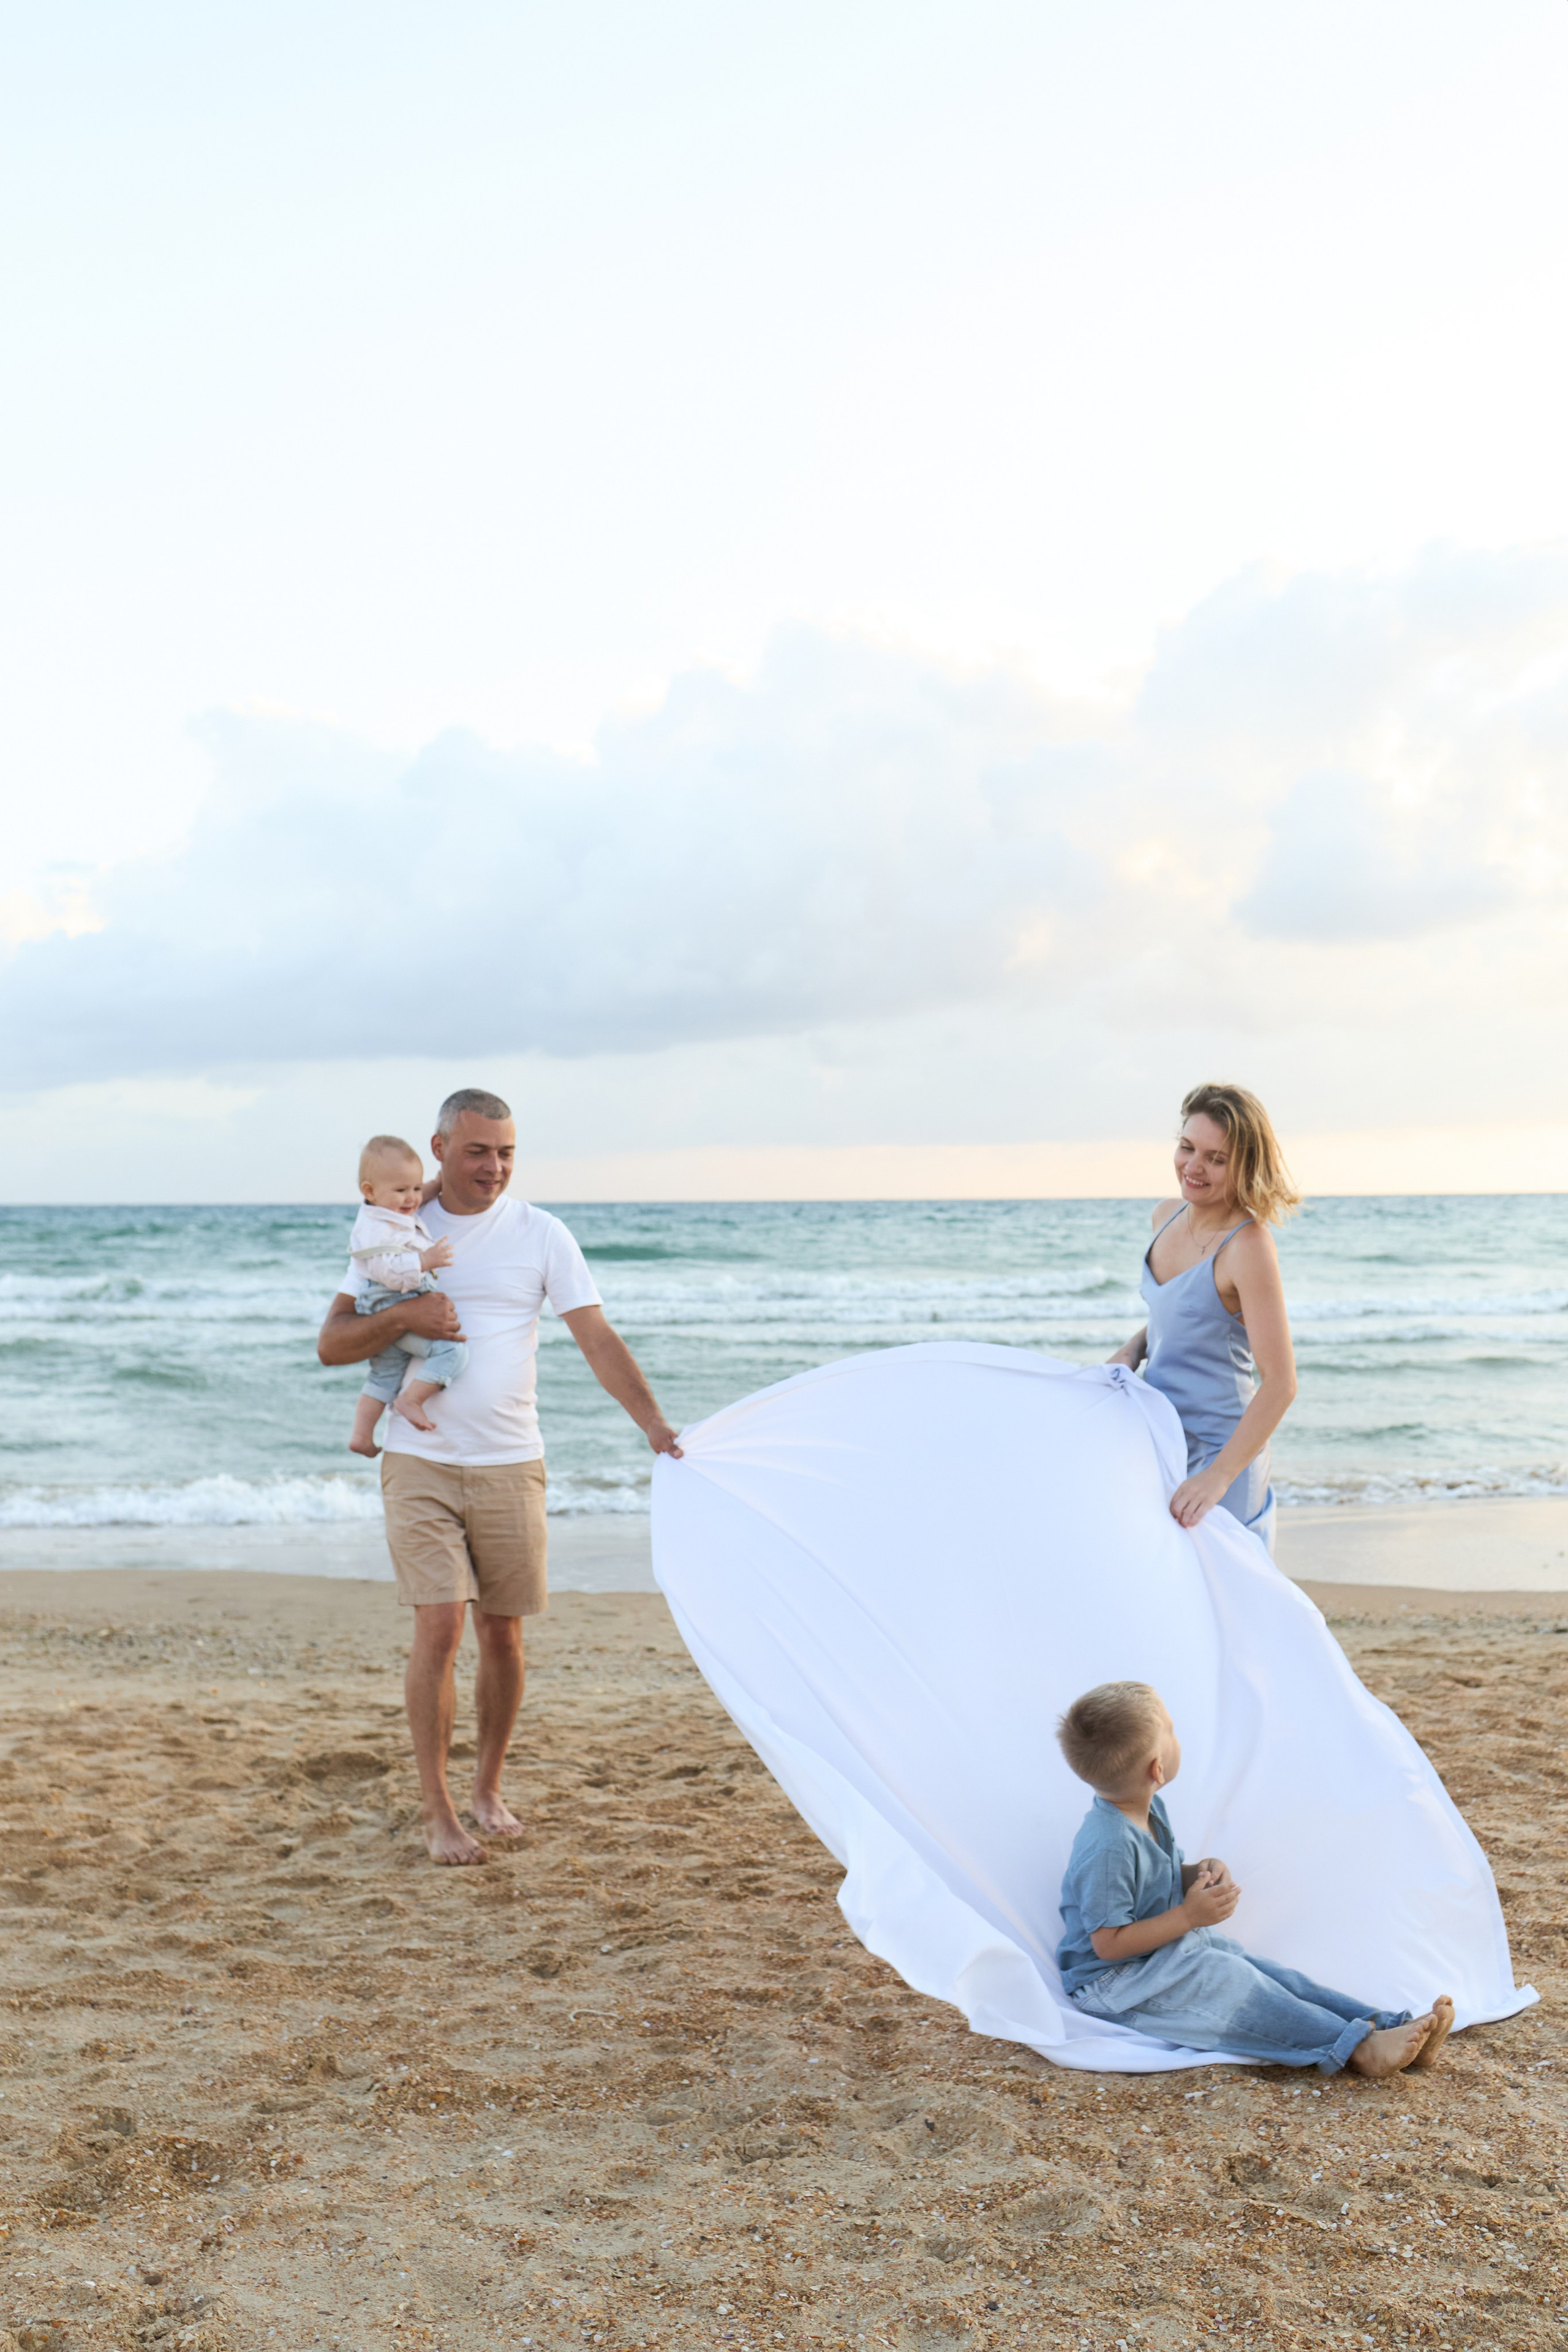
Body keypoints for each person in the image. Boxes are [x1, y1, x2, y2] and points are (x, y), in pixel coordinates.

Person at [316, 1086, 682, 1866]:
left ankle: (486, 1788)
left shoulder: (542, 1234)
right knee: (440, 1626)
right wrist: (404, 1318)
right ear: (441, 1148)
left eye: (507, 1152)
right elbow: (333, 1342)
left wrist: (652, 1424)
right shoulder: (396, 1226)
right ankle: (439, 1811)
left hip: (512, 1461)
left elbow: (595, 1336)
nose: (494, 1167)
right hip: (421, 1459)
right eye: (478, 1150)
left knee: (503, 1636)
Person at [1055, 1681, 1453, 2078]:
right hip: (1116, 1984)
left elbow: (1152, 1879)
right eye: (1171, 1731)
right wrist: (1189, 1916)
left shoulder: (1147, 1808)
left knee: (1275, 1977)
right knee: (1236, 1985)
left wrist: (1198, 1873)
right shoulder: (1107, 1846)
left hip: (1164, 1951)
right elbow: (1108, 1944)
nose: (1179, 1737)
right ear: (1157, 1769)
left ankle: (1385, 2026)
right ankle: (1359, 2050)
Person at [1109, 1081, 1298, 1553]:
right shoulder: (1165, 1217)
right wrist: (1134, 1349)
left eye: (1216, 1159)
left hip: (1223, 1453)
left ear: (1245, 1165)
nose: (1193, 1167)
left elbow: (1281, 1383)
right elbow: (1183, 1313)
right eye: (1188, 1147)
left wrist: (1219, 1477)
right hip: (1161, 1440)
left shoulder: (1249, 1246)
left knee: (1227, 1590)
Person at [347, 1134, 466, 1458]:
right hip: (392, 1300)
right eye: (402, 1190)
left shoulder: (385, 1210)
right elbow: (389, 1272)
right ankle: (412, 1400)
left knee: (385, 1374)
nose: (412, 1198)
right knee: (452, 1352)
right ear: (369, 1191)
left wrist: (437, 1184)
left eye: (415, 1188)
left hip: (381, 1305)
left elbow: (418, 1194)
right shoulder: (376, 1230)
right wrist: (425, 1261)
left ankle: (361, 1435)